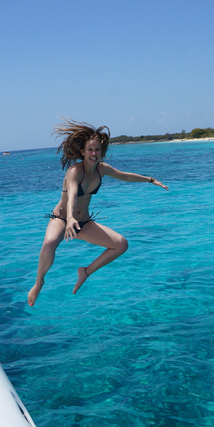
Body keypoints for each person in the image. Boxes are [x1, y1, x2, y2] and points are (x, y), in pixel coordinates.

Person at [27, 119, 168, 306]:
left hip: (83, 223)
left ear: (102, 152)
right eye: (90, 150)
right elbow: (73, 194)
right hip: (62, 219)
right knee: (50, 243)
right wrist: (69, 219)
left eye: (97, 150)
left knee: (121, 244)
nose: (94, 154)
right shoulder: (74, 171)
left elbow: (124, 176)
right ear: (83, 152)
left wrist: (150, 180)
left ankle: (85, 272)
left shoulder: (102, 170)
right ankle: (39, 283)